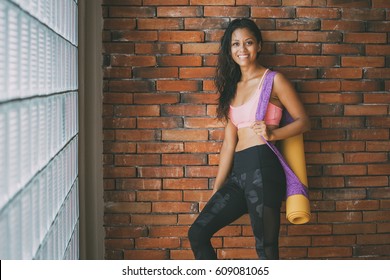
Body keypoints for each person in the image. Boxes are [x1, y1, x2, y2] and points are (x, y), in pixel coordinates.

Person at [188, 18, 310, 260]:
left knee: (266, 249)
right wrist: (217, 189)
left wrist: (273, 133)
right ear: (229, 49)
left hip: (263, 168)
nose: (242, 49)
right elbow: (228, 144)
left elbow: (304, 122)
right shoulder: (231, 88)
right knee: (198, 233)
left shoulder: (274, 80)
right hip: (239, 173)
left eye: (248, 42)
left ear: (259, 46)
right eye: (235, 44)